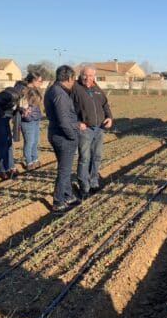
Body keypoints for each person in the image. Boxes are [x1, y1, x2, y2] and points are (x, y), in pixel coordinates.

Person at [72, 65, 113, 198]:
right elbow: (68, 109)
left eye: (90, 76)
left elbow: (105, 104)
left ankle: (94, 182)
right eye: (85, 75)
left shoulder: (97, 89)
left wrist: (109, 117)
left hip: (99, 128)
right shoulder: (75, 89)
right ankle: (84, 187)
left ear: (93, 76)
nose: (87, 78)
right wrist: (77, 122)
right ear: (80, 75)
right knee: (85, 158)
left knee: (96, 157)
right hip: (85, 129)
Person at [44, 65, 80, 212]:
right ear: (69, 78)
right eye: (74, 79)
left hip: (56, 133)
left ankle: (68, 195)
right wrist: (72, 136)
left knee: (64, 168)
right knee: (64, 171)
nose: (74, 82)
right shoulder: (60, 94)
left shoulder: (52, 90)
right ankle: (58, 201)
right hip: (63, 136)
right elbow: (63, 121)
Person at [0, 85, 24, 179]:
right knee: (2, 144)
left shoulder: (18, 97)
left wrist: (21, 111)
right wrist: (1, 114)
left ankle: (10, 167)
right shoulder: (10, 94)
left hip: (4, 119)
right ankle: (2, 170)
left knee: (8, 143)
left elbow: (13, 109)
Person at [15, 72, 43, 169]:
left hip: (35, 118)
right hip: (27, 121)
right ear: (33, 80)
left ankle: (35, 159)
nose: (41, 83)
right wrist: (24, 110)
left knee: (35, 141)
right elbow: (19, 104)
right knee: (29, 141)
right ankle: (29, 162)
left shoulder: (34, 89)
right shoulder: (21, 89)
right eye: (40, 81)